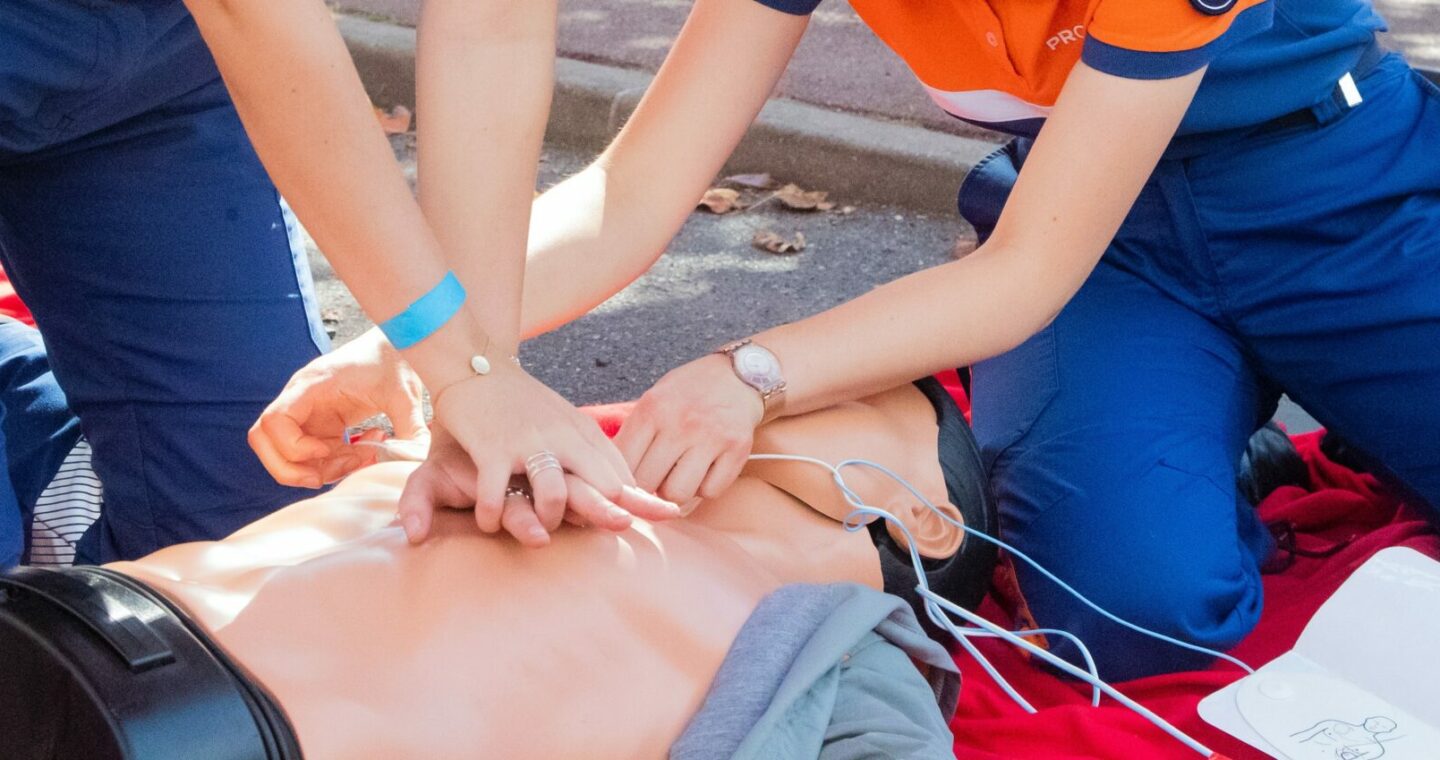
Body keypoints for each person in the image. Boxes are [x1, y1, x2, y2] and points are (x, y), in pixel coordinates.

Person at [254, 0, 1439, 680]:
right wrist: (441, 349)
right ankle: (1227, 455)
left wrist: (750, 375)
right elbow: (631, 191)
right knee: (1138, 616)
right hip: (1103, 245)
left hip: (1334, 189)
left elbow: (1024, 275)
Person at [0, 378, 989, 759]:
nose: (705, 383)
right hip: (67, 625)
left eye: (802, 402)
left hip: (215, 727)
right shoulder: (499, 448)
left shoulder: (848, 662)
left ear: (923, 516)